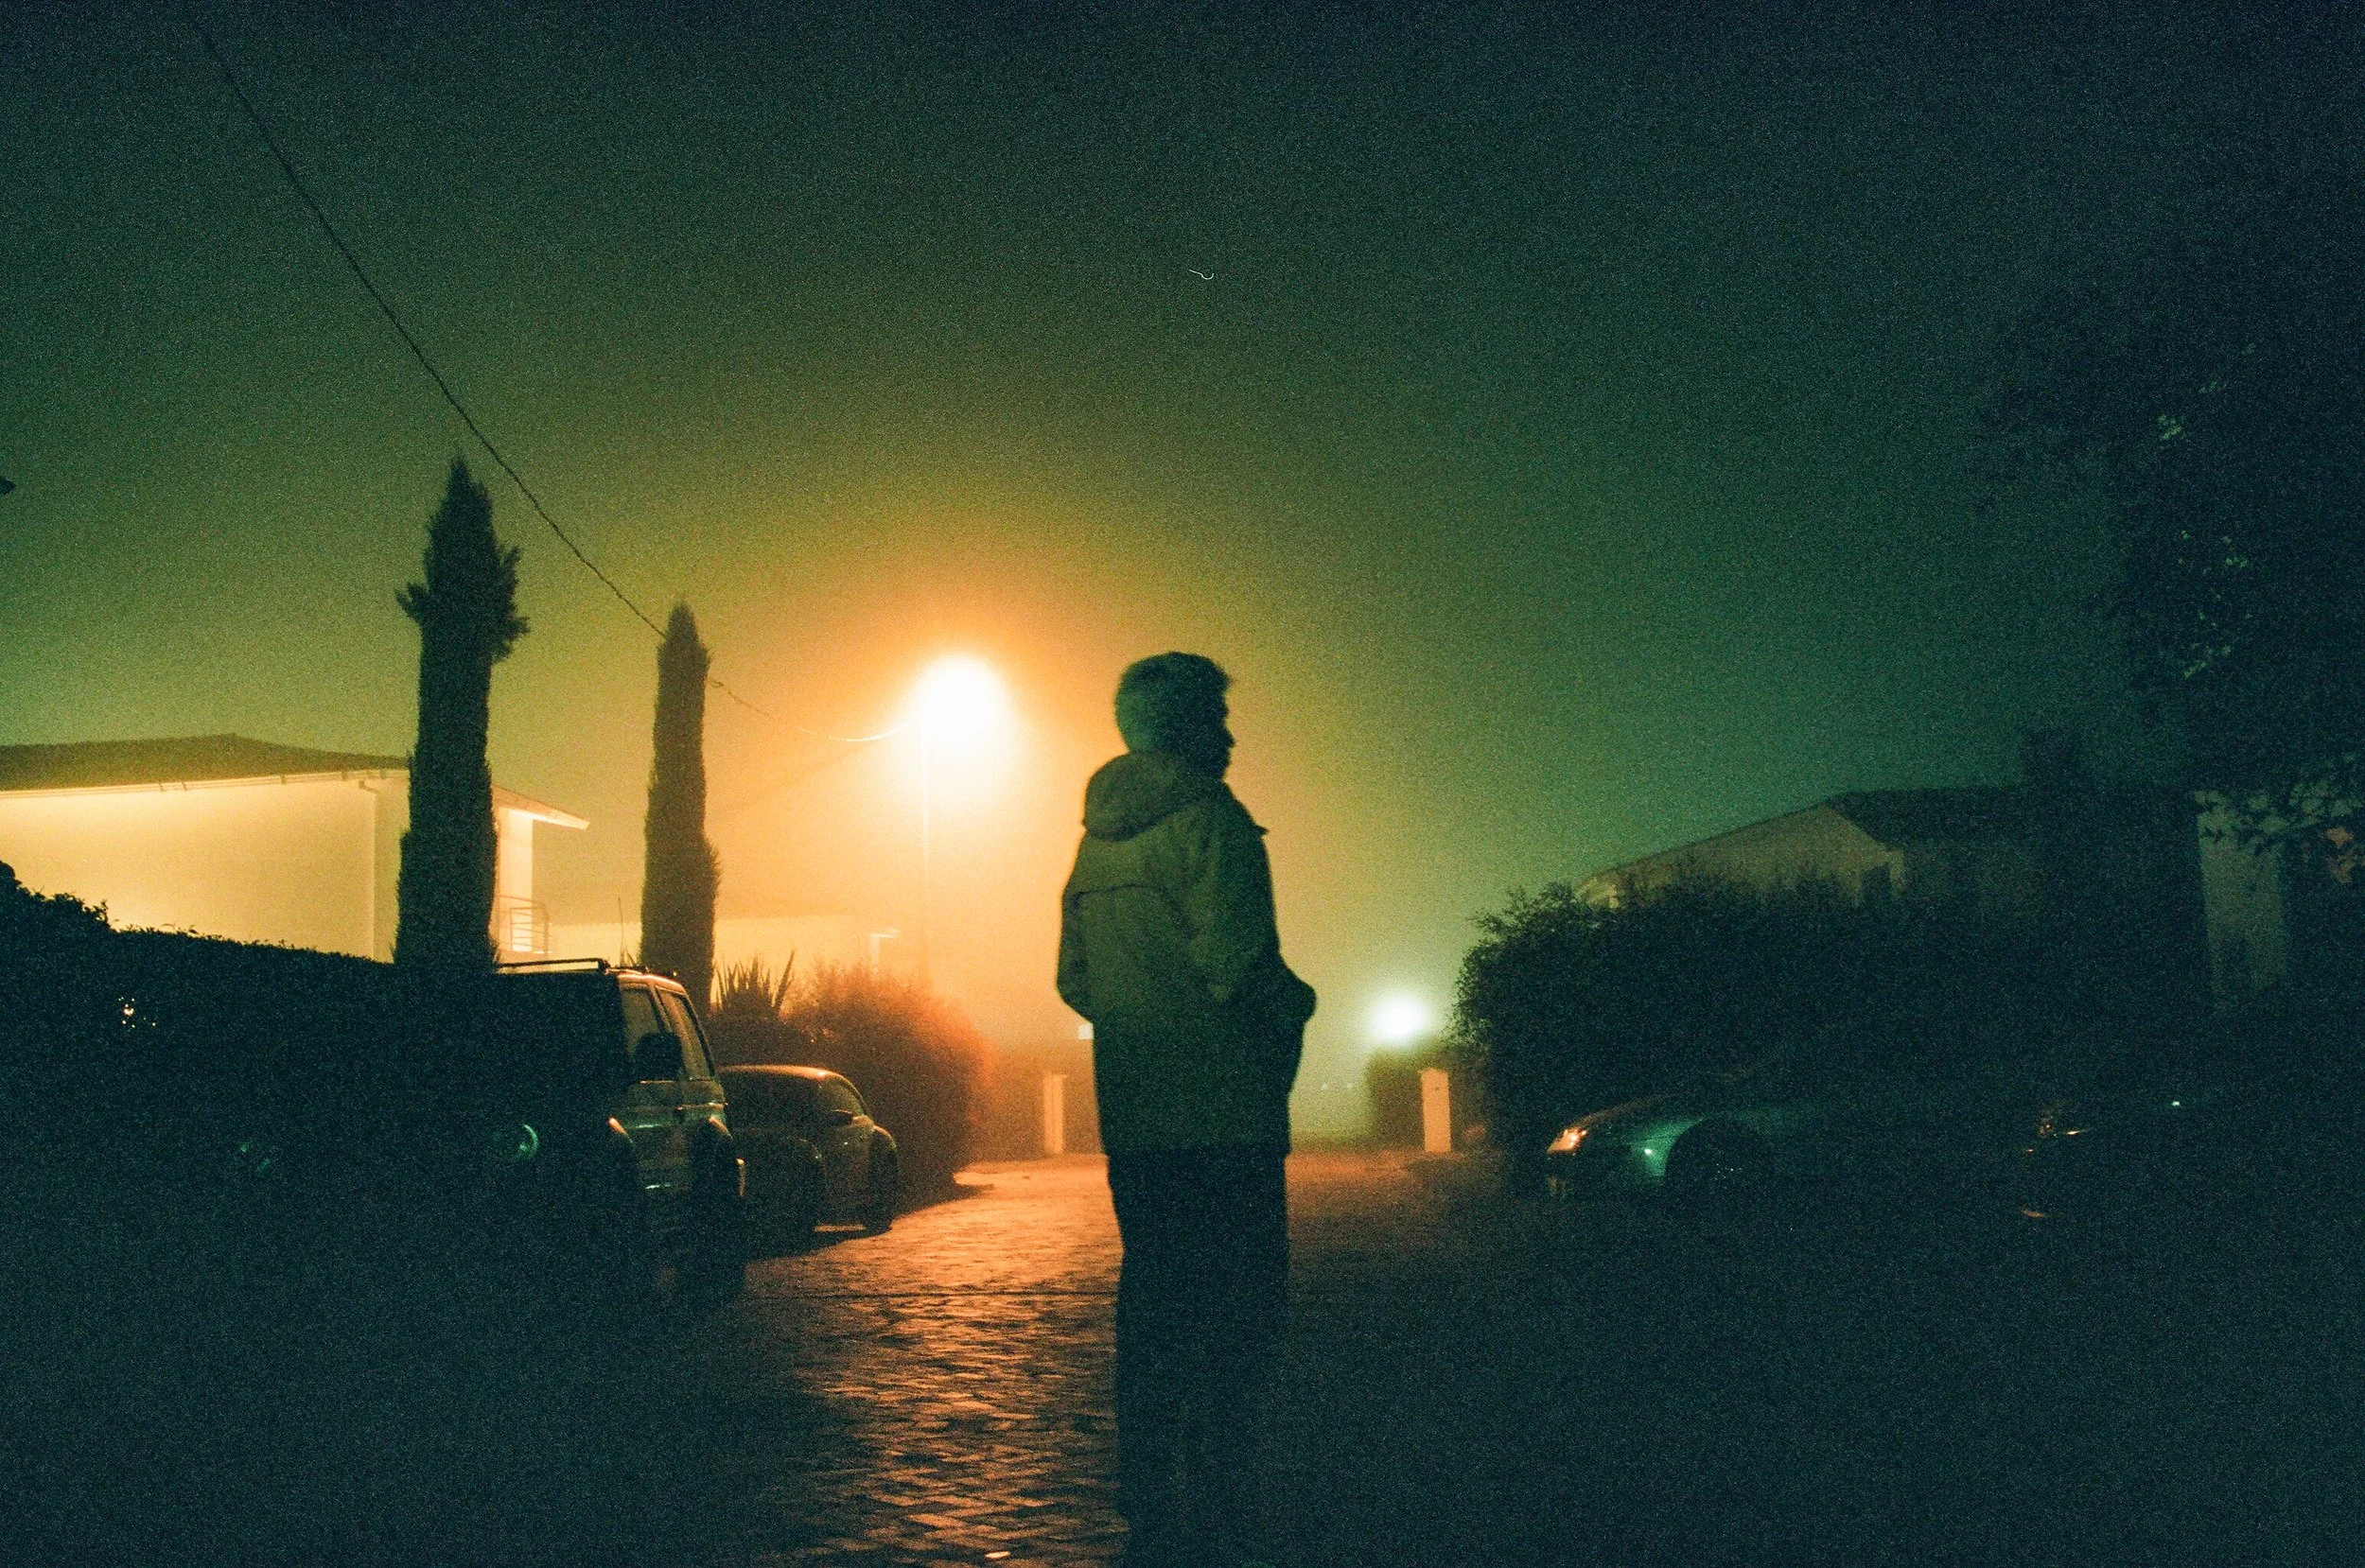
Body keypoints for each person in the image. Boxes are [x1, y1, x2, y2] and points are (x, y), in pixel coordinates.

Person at [1057, 653, 1317, 1568]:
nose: (1231, 733)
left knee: (1155, 1304)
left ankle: (1150, 1499)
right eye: (1217, 715)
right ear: (1187, 727)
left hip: (1139, 1123)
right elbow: (1242, 967)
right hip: (1229, 1120)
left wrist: (1145, 1028)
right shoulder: (1214, 825)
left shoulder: (1095, 842)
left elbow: (1074, 978)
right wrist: (1297, 1008)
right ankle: (1221, 1495)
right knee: (1240, 1316)